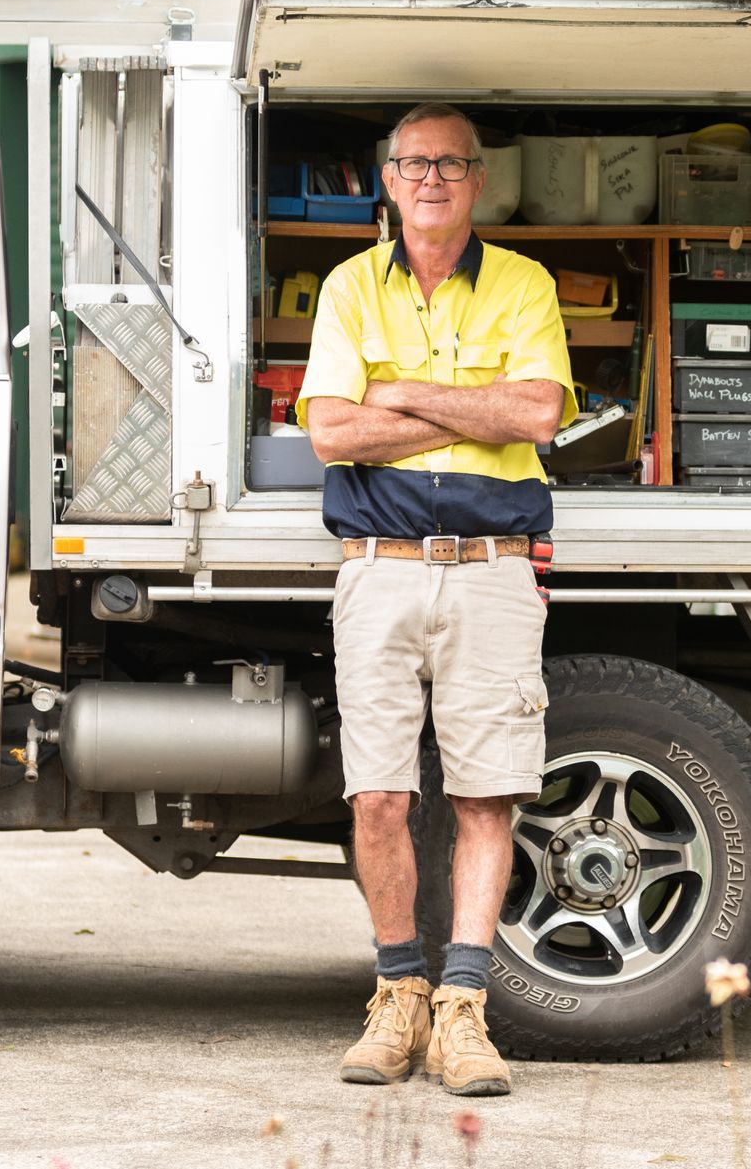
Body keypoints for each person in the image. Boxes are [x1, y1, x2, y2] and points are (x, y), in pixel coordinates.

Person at [296, 103, 575, 1097]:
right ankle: (397, 994)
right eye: (414, 163)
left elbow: (537, 412)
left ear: (477, 180)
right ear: (387, 178)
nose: (431, 180)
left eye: (450, 165)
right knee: (377, 795)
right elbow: (332, 432)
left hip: (494, 567)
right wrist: (468, 410)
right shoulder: (348, 286)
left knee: (484, 795)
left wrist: (399, 394)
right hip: (377, 566)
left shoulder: (524, 283)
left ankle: (462, 1010)